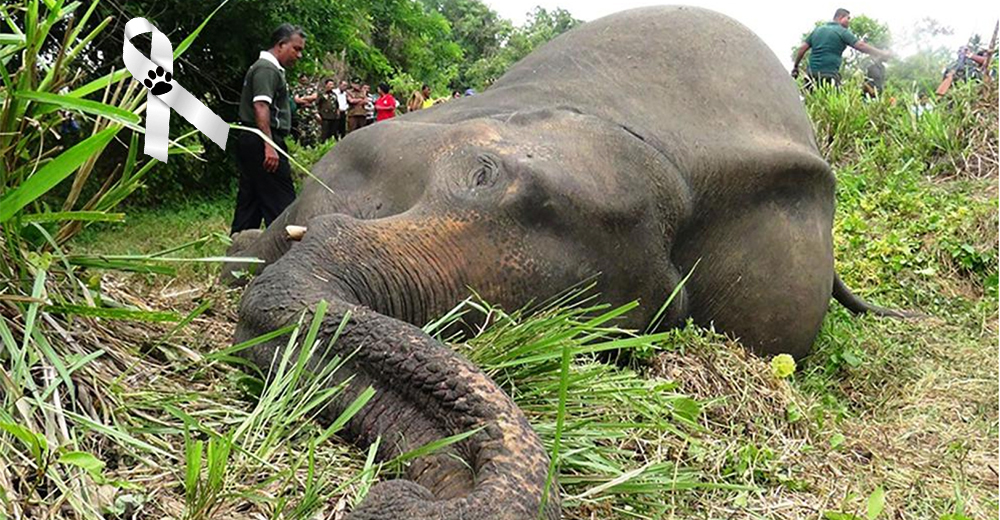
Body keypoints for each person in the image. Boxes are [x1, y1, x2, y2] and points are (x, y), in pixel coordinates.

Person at [231, 23, 305, 235]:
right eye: (296, 48)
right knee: (283, 207)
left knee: (250, 205)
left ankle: (239, 253)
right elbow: (260, 105)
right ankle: (289, 255)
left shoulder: (269, 69)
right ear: (281, 45)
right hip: (262, 141)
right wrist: (270, 146)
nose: (298, 55)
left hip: (253, 139)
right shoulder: (266, 69)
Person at [792, 8, 892, 88]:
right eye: (848, 18)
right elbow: (861, 46)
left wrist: (795, 67)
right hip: (828, 76)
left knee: (809, 105)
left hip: (811, 76)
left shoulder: (817, 30)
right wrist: (881, 53)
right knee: (831, 108)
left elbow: (802, 49)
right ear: (840, 17)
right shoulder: (842, 31)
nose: (849, 22)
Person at [292, 74, 320, 146]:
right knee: (302, 132)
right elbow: (296, 100)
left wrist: (303, 99)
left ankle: (313, 146)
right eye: (302, 79)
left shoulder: (312, 87)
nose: (304, 80)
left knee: (313, 131)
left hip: (312, 113)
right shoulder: (297, 88)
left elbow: (314, 97)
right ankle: (303, 146)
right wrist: (307, 100)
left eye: (305, 78)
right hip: (301, 113)